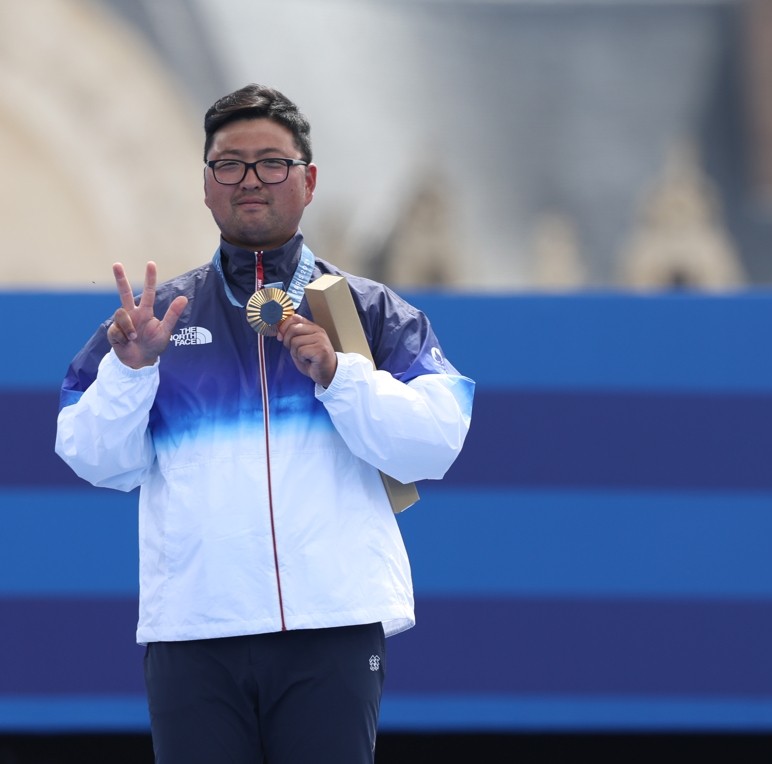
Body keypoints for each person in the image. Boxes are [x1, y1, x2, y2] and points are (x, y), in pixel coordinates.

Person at [54, 83, 474, 763]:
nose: (250, 179)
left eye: (271, 163)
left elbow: (436, 441)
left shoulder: (370, 311)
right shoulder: (155, 322)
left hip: (332, 628)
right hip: (195, 631)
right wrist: (131, 372)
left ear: (307, 181)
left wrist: (341, 376)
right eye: (229, 163)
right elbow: (93, 456)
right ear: (206, 184)